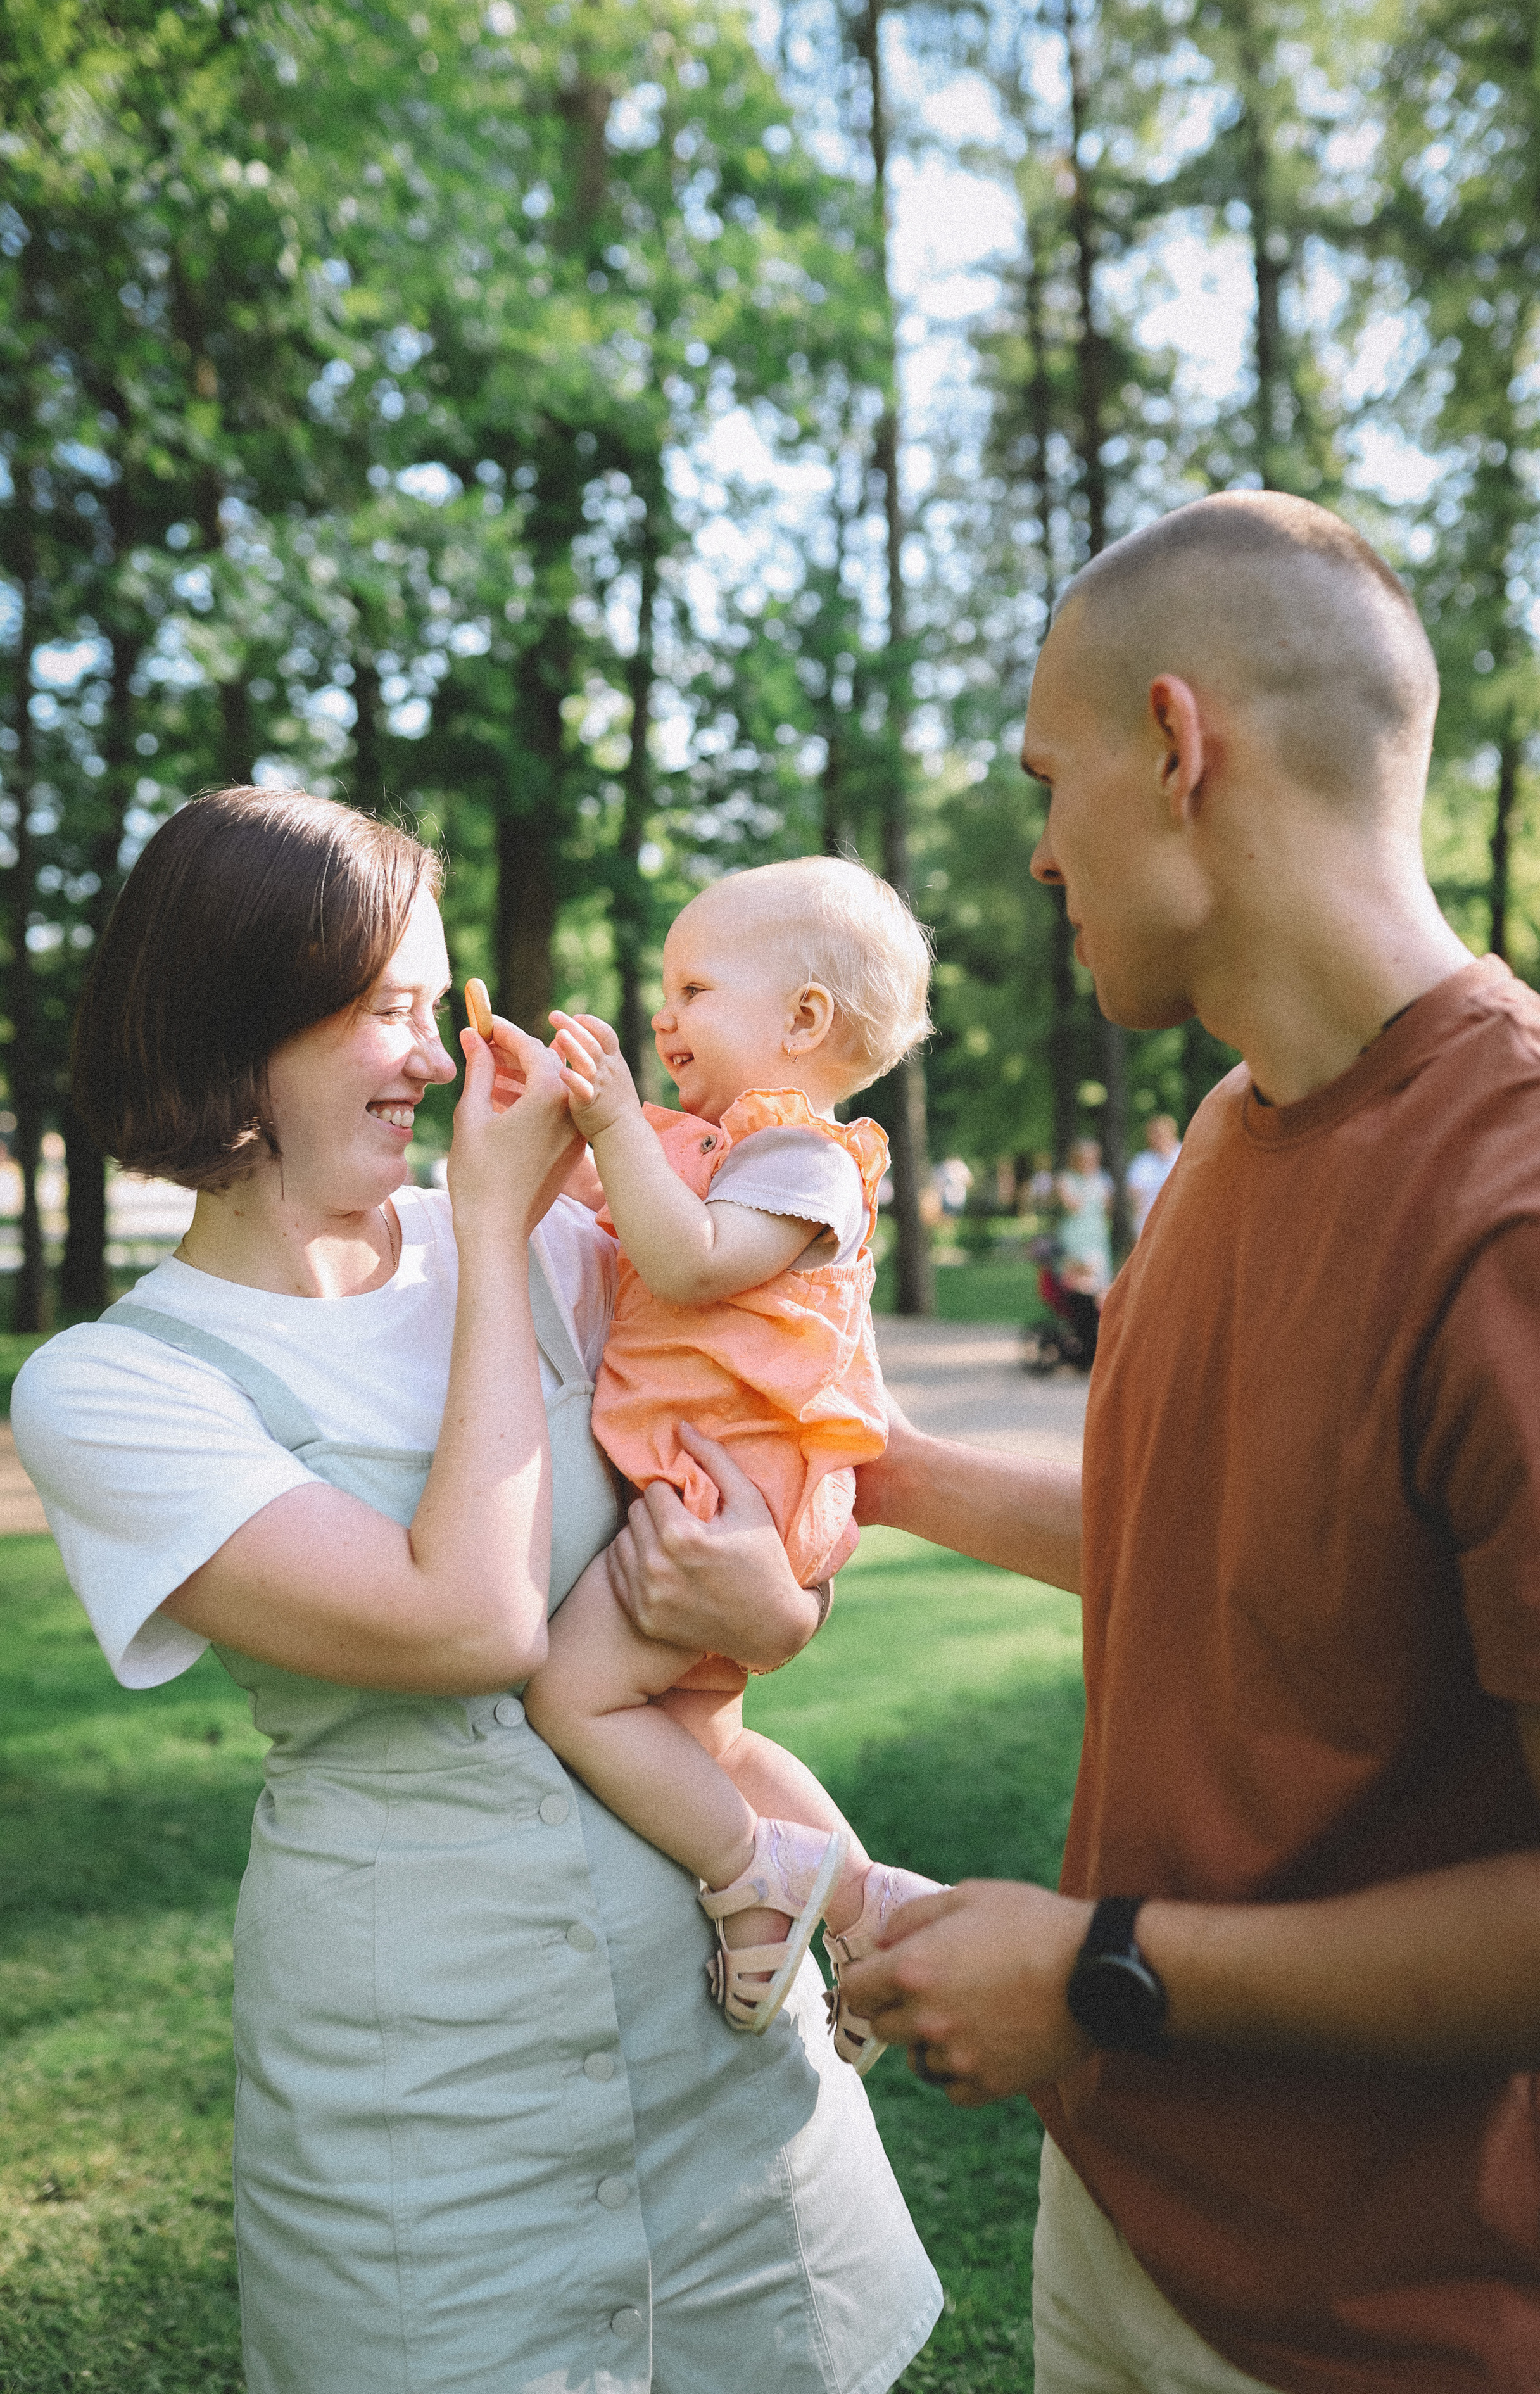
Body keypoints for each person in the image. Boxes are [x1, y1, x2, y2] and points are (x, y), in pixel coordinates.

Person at [12, 790, 942, 2394]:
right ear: (241, 1020)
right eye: (386, 1010)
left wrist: (779, 1615)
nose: (442, 1059)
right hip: (426, 2100)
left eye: (438, 1008)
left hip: (723, 2064)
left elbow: (789, 1475)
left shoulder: (588, 1244)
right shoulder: (110, 1389)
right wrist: (500, 1228)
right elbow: (473, 1623)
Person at [840, 491, 1540, 2394]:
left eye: (1049, 778)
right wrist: (882, 1468)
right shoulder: (1217, 1134)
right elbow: (1232, 1547)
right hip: (1122, 2200)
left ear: (1176, 748)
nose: (1035, 850)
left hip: (1392, 2304)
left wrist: (1097, 1965)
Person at [529, 858, 943, 2067]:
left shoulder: (805, 1161)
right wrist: (560, 1128)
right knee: (709, 1738)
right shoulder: (720, 1143)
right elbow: (613, 1218)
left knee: (574, 1694)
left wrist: (611, 1125)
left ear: (804, 1021)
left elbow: (692, 1262)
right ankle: (872, 1911)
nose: (664, 1014)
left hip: (729, 1495)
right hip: (721, 1485)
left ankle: (751, 1876)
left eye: (695, 985)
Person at [1054, 1136, 1113, 1296]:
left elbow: (1108, 1207)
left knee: (1100, 1282)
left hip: (1097, 1235)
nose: (1090, 1162)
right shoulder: (1065, 1179)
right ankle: (1078, 1316)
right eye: (1085, 1159)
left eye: (1093, 1158)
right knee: (1079, 1281)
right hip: (1076, 1236)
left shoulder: (1102, 1177)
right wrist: (1089, 1184)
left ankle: (1095, 1319)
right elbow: (1072, 1206)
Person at [1124, 1112, 1180, 1237]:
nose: (1155, 1138)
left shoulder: (1185, 1154)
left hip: (1181, 1221)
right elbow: (1133, 1191)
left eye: (1158, 1133)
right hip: (1150, 1224)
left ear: (1171, 1132)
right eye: (1152, 1134)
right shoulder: (1142, 1161)